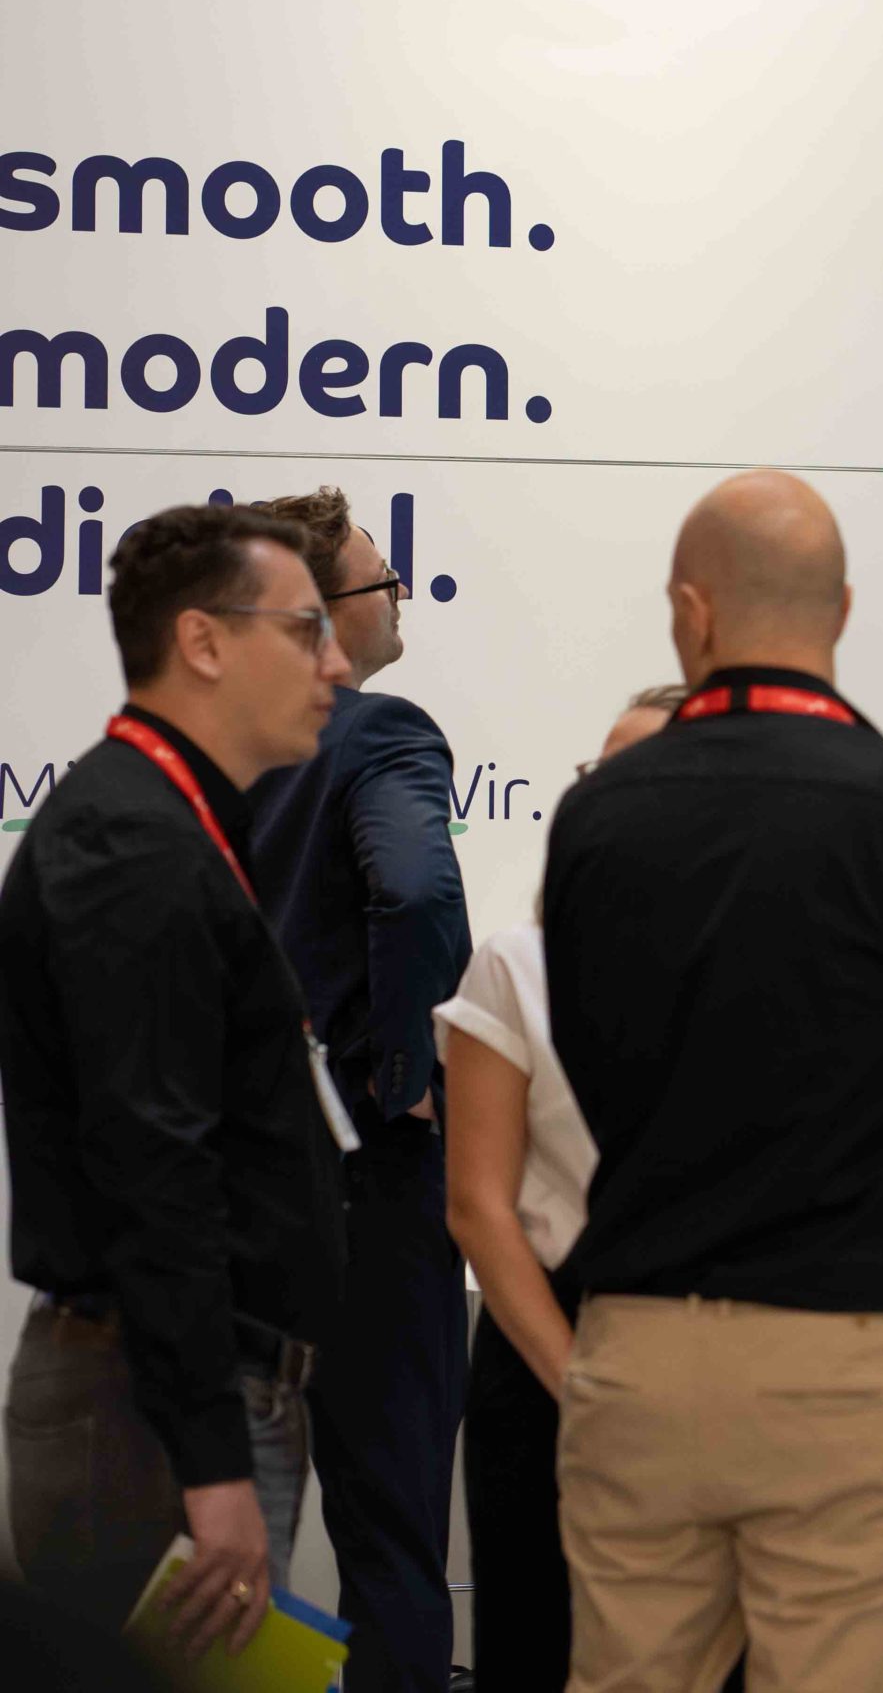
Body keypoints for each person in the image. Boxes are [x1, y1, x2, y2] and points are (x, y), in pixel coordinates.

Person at [543, 470, 883, 1693]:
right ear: (844, 609)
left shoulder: (599, 818)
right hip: (852, 1350)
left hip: (641, 1345)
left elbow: (596, 1070)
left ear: (690, 611)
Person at [0, 503, 349, 1652]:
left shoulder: (165, 826)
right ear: (203, 641)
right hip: (150, 1415)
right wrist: (212, 1465)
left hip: (170, 1399)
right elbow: (155, 1166)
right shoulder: (133, 844)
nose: (337, 665)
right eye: (306, 629)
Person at [247, 487, 472, 1693]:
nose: (401, 597)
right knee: (390, 1533)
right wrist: (406, 1075)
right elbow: (418, 890)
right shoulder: (378, 732)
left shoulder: (213, 750)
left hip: (236, 1183)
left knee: (234, 1545)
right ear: (322, 613)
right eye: (384, 579)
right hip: (369, 1189)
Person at [438, 684, 685, 1693]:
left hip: (718, 1358)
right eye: (595, 773)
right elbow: (478, 1206)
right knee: (542, 1647)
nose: (603, 796)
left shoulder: (772, 962)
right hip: (551, 1350)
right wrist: (582, 1384)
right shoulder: (519, 964)